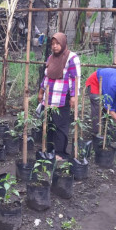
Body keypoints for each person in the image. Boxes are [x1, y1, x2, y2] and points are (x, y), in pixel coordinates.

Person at [37, 32, 81, 160]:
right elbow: (46, 77)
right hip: (49, 98)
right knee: (49, 125)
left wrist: (73, 96)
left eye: (58, 44)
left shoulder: (71, 58)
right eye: (53, 44)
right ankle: (49, 150)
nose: (55, 46)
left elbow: (75, 78)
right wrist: (41, 92)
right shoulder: (51, 58)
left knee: (61, 127)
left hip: (62, 99)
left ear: (63, 43)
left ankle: (59, 153)